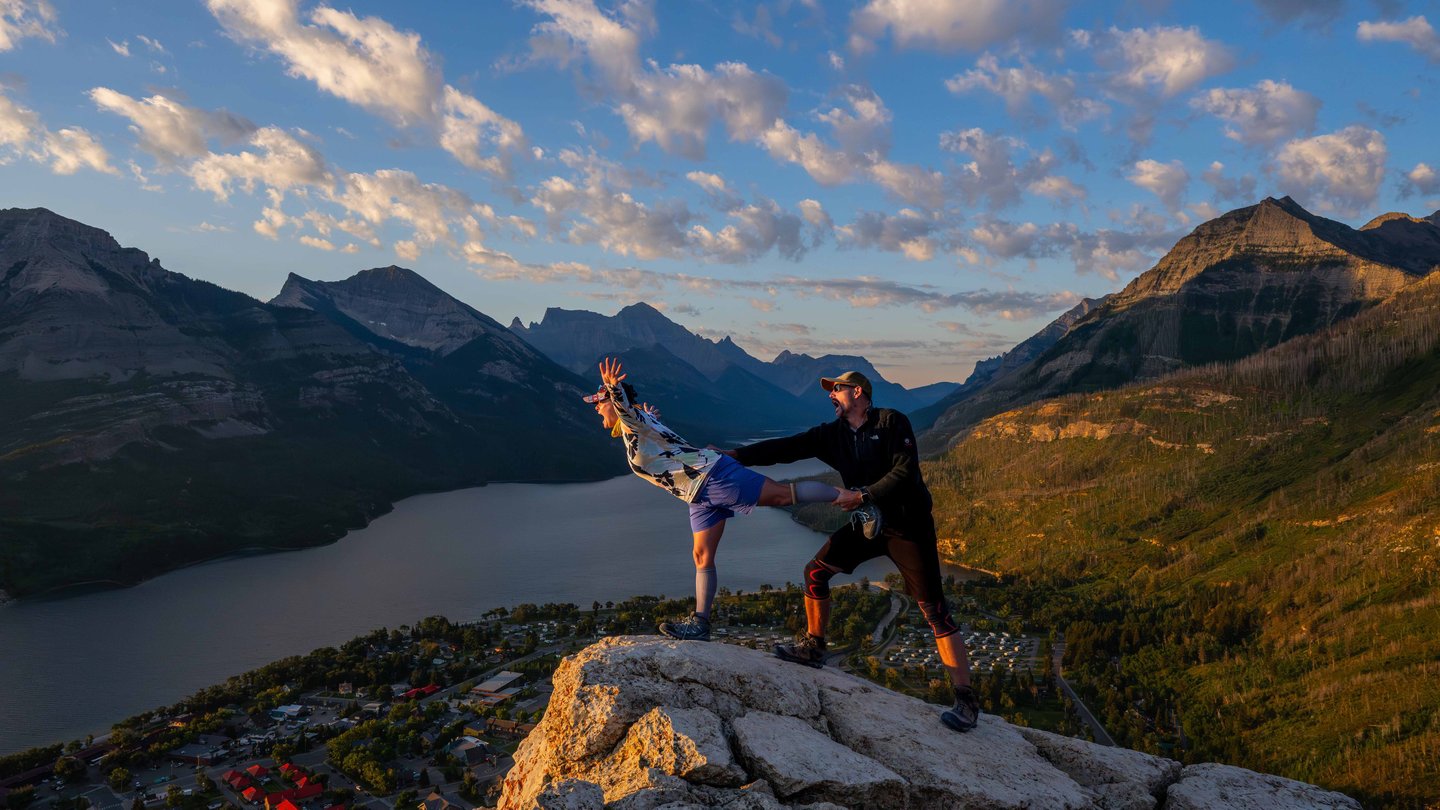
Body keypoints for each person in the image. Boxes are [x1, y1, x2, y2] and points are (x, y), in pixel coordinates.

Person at [720, 370, 981, 732]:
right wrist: (734, 456)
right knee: (816, 572)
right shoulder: (833, 434)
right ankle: (814, 646)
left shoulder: (892, 422)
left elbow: (905, 471)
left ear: (857, 392)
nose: (831, 396)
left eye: (836, 389)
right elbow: (787, 448)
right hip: (869, 524)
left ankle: (966, 700)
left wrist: (861, 495)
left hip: (908, 527)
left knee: (935, 611)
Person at [588, 357, 873, 642]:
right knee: (701, 555)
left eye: (598, 404)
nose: (596, 409)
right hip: (696, 492)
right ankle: (701, 624)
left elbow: (626, 409)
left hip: (712, 477)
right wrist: (648, 416)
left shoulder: (632, 420)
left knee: (783, 495)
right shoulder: (638, 425)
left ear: (613, 402)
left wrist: (615, 390)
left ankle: (855, 498)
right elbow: (657, 437)